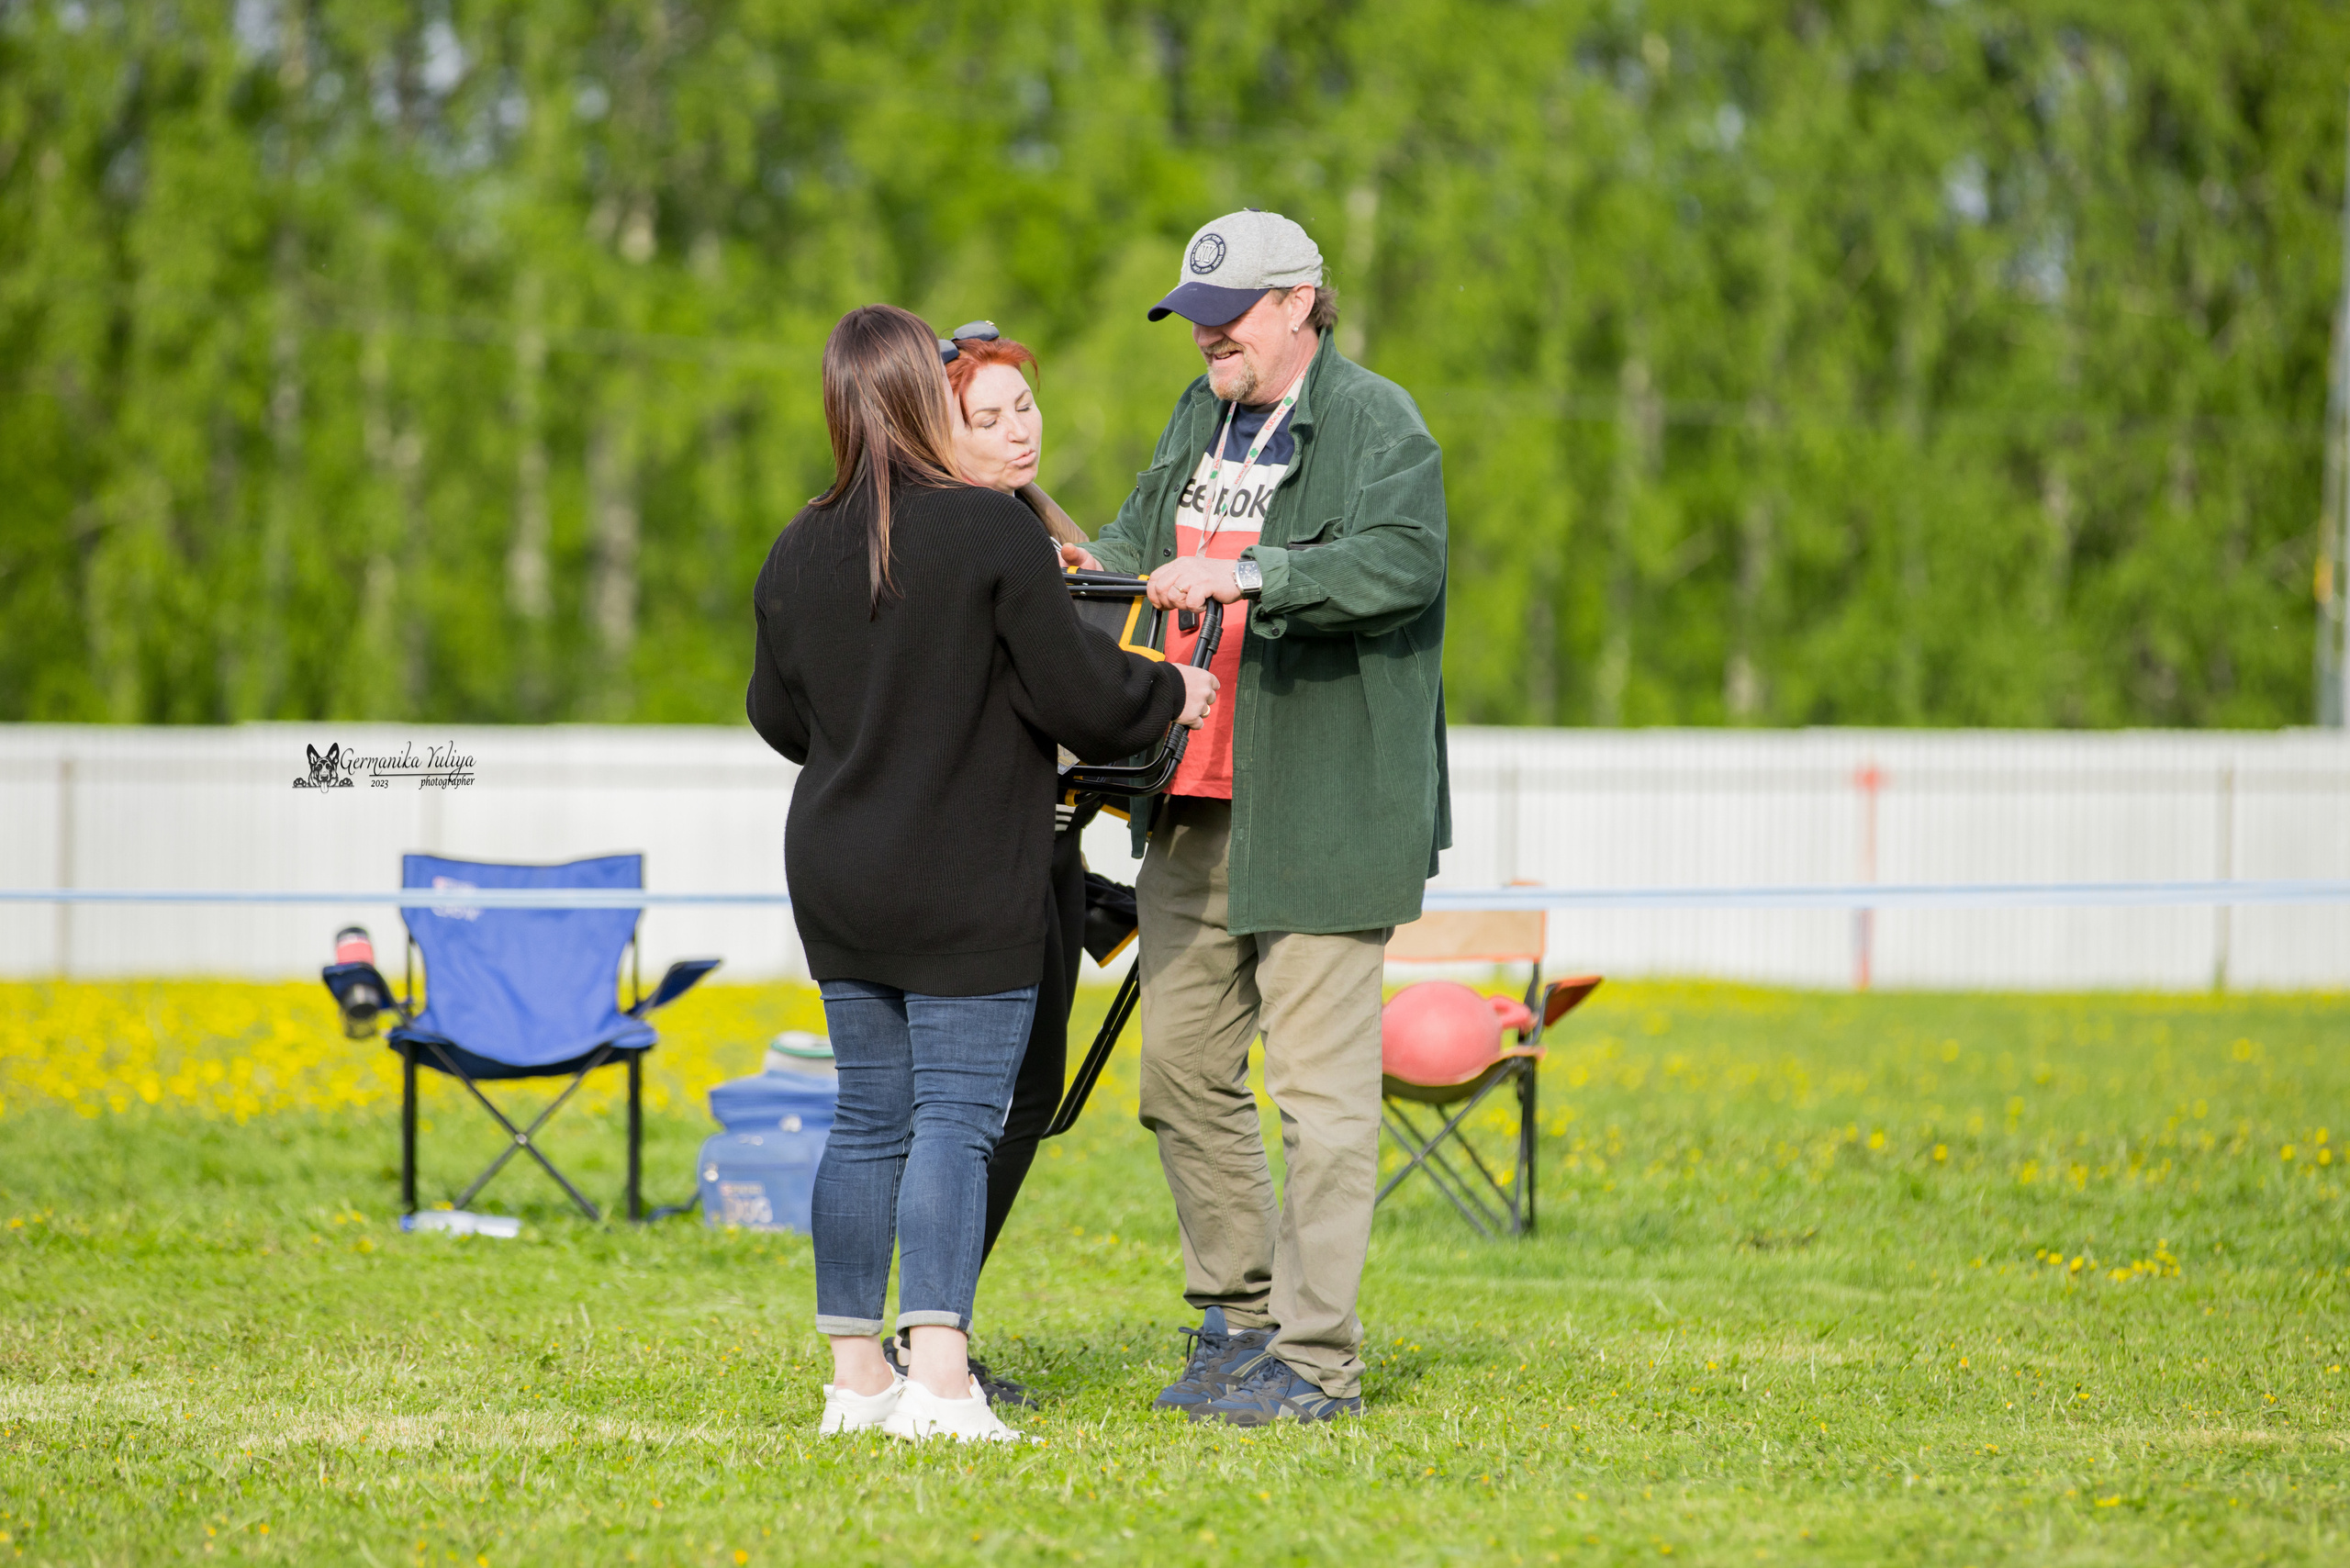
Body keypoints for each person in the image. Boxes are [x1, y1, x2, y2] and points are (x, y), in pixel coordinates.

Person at [745, 303, 1217, 1443]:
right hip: (964, 872)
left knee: (866, 1121)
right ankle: (943, 1387)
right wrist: (1174, 695)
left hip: (837, 868)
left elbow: (777, 716)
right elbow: (1080, 697)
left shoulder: (797, 542)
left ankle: (856, 1381)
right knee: (958, 1120)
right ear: (919, 392)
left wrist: (877, 736)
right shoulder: (990, 531)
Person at [1062, 209, 1450, 1425]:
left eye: (1225, 316)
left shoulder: (1380, 424)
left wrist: (1252, 573)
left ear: (1299, 303)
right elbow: (1137, 538)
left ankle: (1315, 1359)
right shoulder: (1204, 418)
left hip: (1325, 812)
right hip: (1190, 804)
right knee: (1179, 1072)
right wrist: (1077, 571)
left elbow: (1403, 565)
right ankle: (1236, 1325)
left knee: (1324, 1109)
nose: (1205, 337)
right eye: (1193, 316)